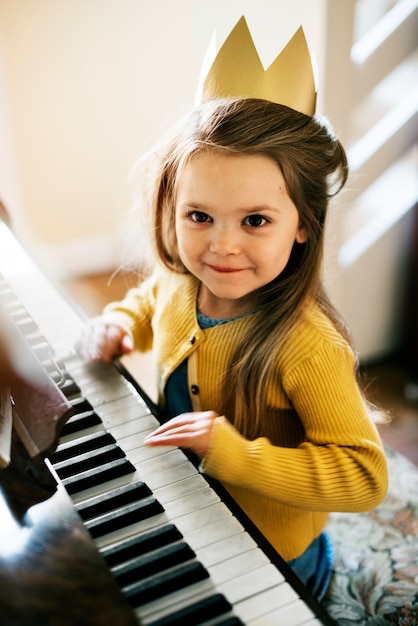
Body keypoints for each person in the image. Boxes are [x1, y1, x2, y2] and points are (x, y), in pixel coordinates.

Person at [75, 94, 388, 601]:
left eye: (255, 221)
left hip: (272, 549)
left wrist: (233, 454)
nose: (221, 246)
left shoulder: (308, 347)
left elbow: (363, 476)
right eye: (199, 216)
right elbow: (143, 303)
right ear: (171, 210)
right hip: (184, 503)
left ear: (304, 223)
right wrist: (116, 325)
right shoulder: (180, 281)